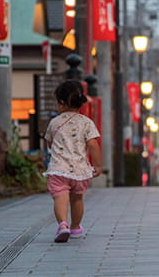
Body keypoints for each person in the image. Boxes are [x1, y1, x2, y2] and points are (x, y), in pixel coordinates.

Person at [43, 80, 103, 243]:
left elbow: (49, 142)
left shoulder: (54, 122)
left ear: (61, 103)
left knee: (60, 197)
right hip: (80, 171)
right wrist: (97, 165)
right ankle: (75, 227)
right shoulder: (86, 122)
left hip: (58, 169)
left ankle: (63, 225)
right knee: (77, 199)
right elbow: (93, 144)